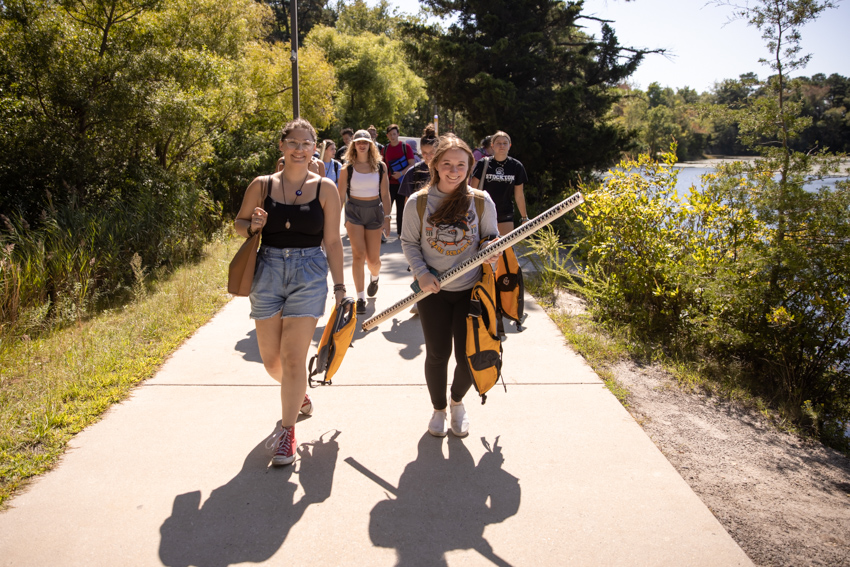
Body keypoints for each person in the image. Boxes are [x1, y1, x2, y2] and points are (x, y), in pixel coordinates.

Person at [234, 118, 346, 467]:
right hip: (267, 270)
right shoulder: (262, 184)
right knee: (272, 362)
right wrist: (251, 225)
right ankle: (297, 393)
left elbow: (332, 241)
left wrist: (341, 287)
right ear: (282, 147)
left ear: (315, 148)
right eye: (293, 143)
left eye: (306, 143)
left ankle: (287, 433)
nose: (299, 149)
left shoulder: (326, 188)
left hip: (309, 272)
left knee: (295, 358)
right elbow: (239, 223)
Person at [400, 134, 499, 438]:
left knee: (469, 355)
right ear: (434, 165)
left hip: (471, 291)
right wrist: (421, 273)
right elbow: (409, 242)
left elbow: (491, 237)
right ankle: (439, 410)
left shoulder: (481, 202)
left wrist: (492, 250)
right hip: (434, 291)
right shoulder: (418, 203)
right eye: (447, 164)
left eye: (460, 164)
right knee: (437, 354)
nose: (454, 170)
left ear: (470, 165)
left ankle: (457, 403)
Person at [337, 129, 391, 314]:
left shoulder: (380, 166)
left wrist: (387, 218)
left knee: (373, 260)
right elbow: (339, 197)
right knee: (358, 254)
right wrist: (332, 220)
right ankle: (360, 298)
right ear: (353, 145)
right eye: (358, 142)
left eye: (365, 142)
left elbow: (385, 194)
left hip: (375, 212)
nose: (362, 145)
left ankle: (374, 278)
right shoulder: (347, 169)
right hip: (354, 213)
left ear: (370, 145)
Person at [398, 125, 438, 315]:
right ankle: (418, 298)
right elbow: (407, 202)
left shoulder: (444, 170)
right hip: (419, 224)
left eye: (432, 153)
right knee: (418, 262)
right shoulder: (414, 172)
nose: (428, 156)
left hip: (440, 223)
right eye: (424, 153)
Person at [470, 131, 529, 236]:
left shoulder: (516, 166)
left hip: (505, 213)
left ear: (509, 146)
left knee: (505, 248)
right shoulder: (483, 163)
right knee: (484, 248)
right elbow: (472, 190)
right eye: (498, 143)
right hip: (483, 212)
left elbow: (519, 195)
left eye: (505, 143)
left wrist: (524, 217)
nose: (502, 146)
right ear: (492, 145)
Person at [381, 124, 415, 238]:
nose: (392, 136)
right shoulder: (384, 149)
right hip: (389, 184)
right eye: (390, 134)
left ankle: (401, 233)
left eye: (394, 134)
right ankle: (384, 232)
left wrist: (401, 173)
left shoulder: (406, 147)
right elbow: (381, 166)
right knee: (386, 209)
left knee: (401, 209)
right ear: (387, 136)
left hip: (402, 183)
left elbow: (412, 164)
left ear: (398, 134)